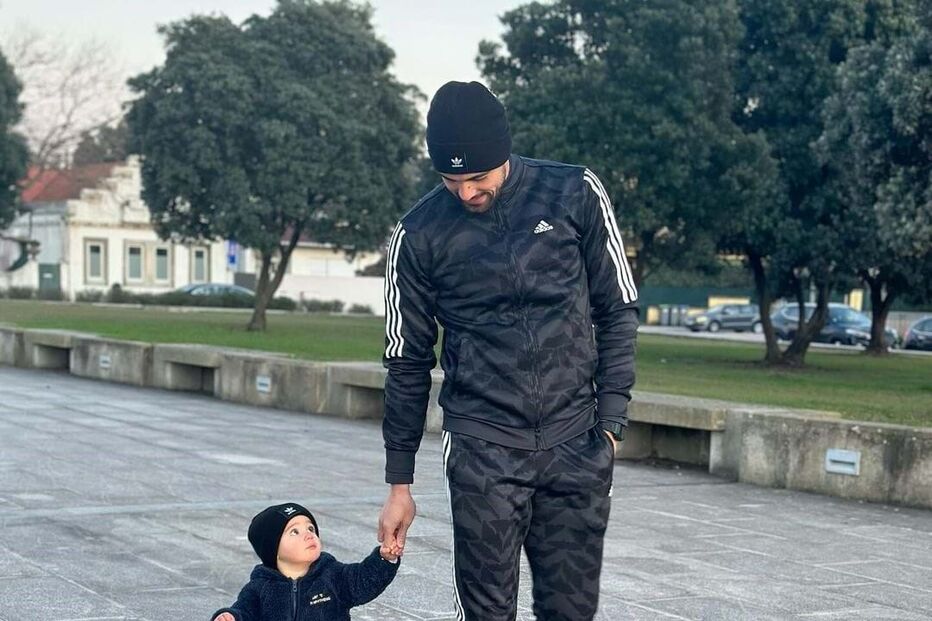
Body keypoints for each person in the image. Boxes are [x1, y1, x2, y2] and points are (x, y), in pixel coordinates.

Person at [378, 81, 639, 620]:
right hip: (482, 447)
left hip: (577, 443)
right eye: (451, 180)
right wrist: (399, 483)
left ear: (504, 154)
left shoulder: (575, 193)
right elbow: (407, 362)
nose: (466, 193)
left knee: (570, 612)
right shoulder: (419, 233)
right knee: (486, 613)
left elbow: (617, 309)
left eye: (478, 177)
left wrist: (610, 425)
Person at [212, 502, 399, 621]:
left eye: (310, 528)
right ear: (273, 550)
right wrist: (230, 616)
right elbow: (245, 612)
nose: (309, 535)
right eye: (295, 531)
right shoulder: (259, 588)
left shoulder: (332, 575)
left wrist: (384, 560)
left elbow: (363, 580)